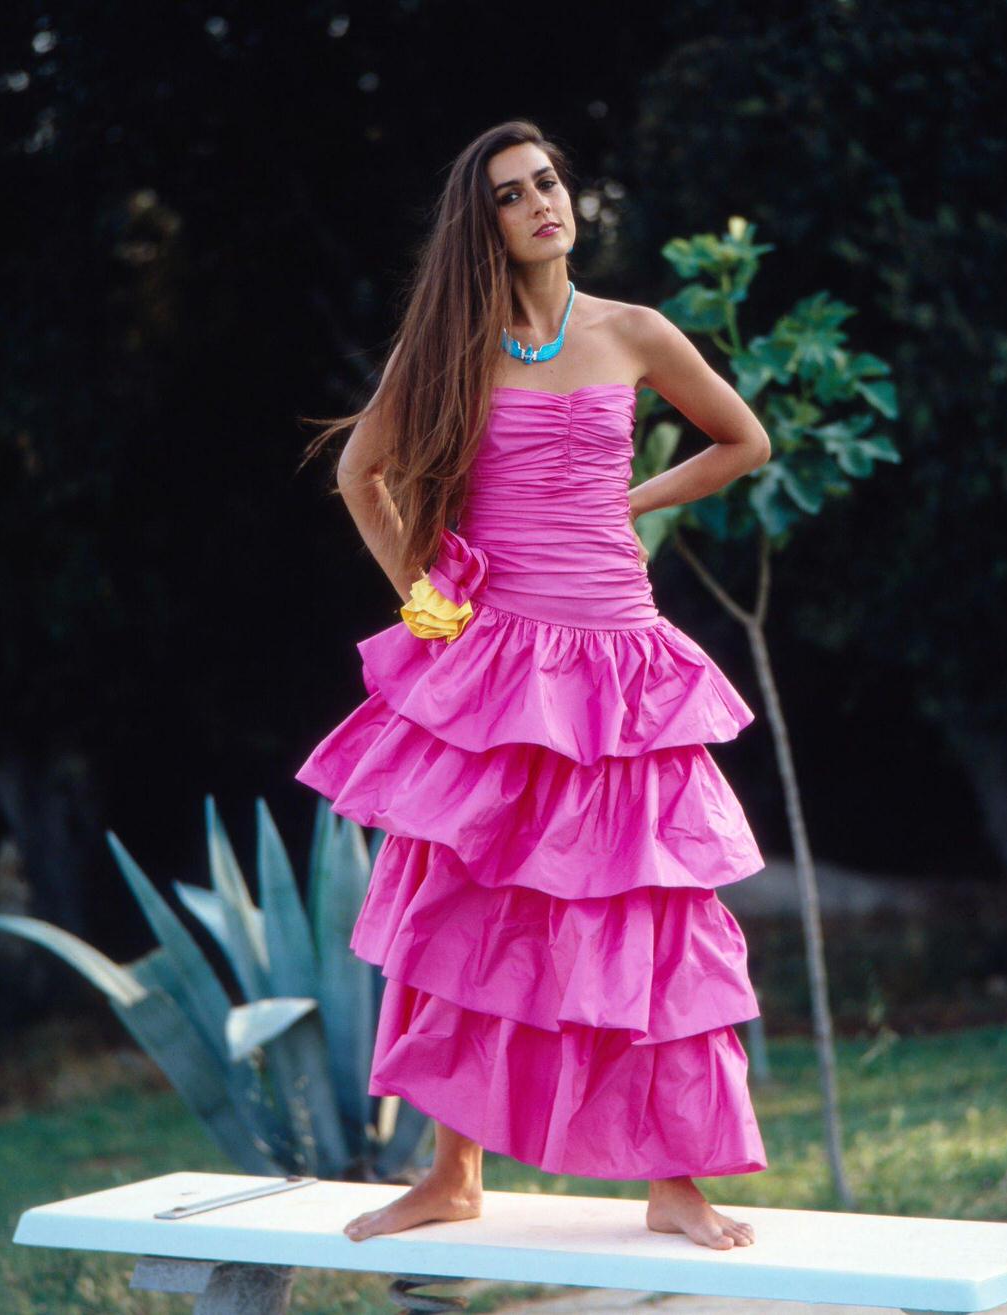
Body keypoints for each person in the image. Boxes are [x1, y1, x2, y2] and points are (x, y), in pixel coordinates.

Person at [295, 120, 773, 1251]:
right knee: (462, 905)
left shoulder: (635, 330)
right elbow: (363, 474)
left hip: (617, 656)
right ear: (486, 222)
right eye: (512, 194)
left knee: (654, 915)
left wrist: (634, 506)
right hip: (496, 657)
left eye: (549, 182)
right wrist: (429, 604)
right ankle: (451, 1173)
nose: (541, 203)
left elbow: (741, 441)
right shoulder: (451, 346)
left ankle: (675, 1181)